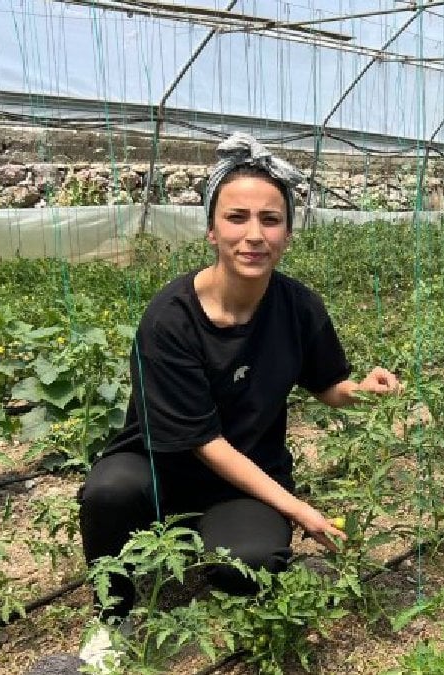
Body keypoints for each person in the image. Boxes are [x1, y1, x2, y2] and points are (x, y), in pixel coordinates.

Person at [76, 133, 401, 669]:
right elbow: (203, 442)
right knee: (108, 492)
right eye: (237, 218)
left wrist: (362, 392)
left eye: (270, 220)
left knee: (248, 565)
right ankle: (113, 617)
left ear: (288, 235)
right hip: (161, 469)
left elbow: (328, 385)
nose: (254, 235)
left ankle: (214, 539)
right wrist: (302, 513)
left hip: (247, 472)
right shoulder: (170, 319)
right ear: (210, 229)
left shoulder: (298, 306)